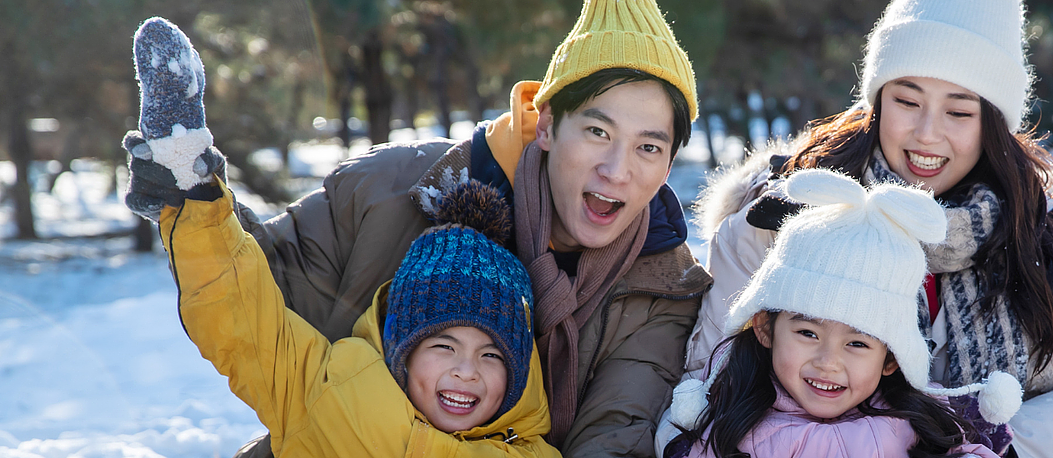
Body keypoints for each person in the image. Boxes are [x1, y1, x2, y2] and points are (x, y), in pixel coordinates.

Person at [121, 1, 710, 456]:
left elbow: (617, 433)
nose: (618, 170)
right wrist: (193, 194)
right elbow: (256, 299)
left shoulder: (666, 289)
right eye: (599, 132)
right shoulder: (394, 187)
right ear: (548, 122)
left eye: (649, 146)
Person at [682, 0, 1053, 456]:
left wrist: (995, 446)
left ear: (993, 124)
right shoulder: (787, 215)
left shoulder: (1046, 237)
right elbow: (705, 382)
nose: (927, 134)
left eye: (959, 111)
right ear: (875, 103)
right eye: (907, 100)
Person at [131, 18, 558, 455]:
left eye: (492, 355)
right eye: (444, 345)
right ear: (402, 346)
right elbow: (242, 320)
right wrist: (193, 190)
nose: (467, 371)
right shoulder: (327, 390)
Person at [665, 169, 1015, 458]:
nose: (828, 362)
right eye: (808, 333)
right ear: (765, 328)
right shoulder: (728, 422)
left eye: (858, 343)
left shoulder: (919, 427)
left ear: (891, 359)